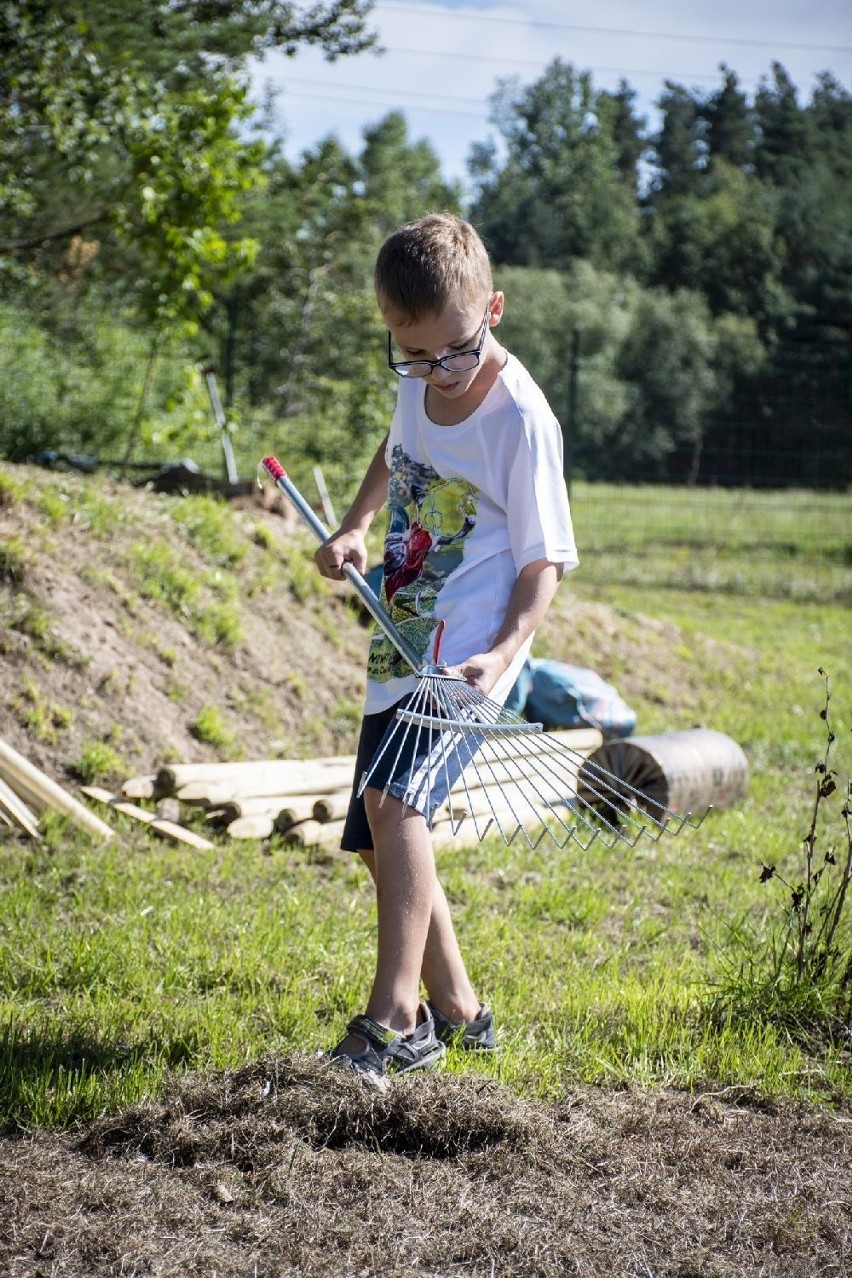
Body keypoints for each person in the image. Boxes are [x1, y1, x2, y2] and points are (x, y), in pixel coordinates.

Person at [314, 213, 577, 1085]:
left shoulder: (521, 421)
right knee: (372, 837)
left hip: (467, 660)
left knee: (395, 806)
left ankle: (396, 1019)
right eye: (416, 357)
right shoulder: (417, 377)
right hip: (399, 647)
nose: (439, 373)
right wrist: (356, 525)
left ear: (492, 309)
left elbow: (544, 563)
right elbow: (396, 451)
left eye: (456, 352)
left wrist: (503, 657)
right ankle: (462, 1010)